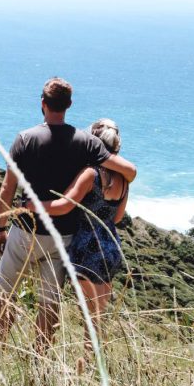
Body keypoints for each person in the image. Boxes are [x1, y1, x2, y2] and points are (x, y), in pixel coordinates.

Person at [0, 78, 136, 353]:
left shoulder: (24, 138)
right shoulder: (86, 142)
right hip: (62, 237)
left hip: (25, 229)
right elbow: (127, 169)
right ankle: (40, 361)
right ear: (68, 105)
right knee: (49, 304)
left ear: (43, 104)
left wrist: (0, 228)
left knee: (5, 294)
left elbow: (7, 187)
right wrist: (128, 178)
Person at [38, 119, 129, 347]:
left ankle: (77, 367)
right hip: (110, 248)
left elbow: (64, 205)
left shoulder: (91, 174)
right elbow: (117, 218)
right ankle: (90, 369)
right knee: (96, 320)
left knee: (86, 314)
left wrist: (33, 205)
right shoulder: (125, 180)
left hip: (85, 250)